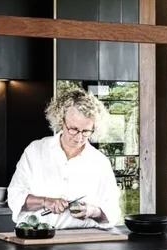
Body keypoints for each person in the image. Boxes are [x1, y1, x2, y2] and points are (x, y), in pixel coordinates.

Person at [7, 86, 121, 229]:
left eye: (86, 131)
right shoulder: (36, 151)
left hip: (84, 241)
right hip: (37, 237)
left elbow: (113, 212)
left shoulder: (100, 162)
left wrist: (92, 211)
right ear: (62, 121)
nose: (79, 138)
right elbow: (14, 196)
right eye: (73, 129)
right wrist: (45, 201)